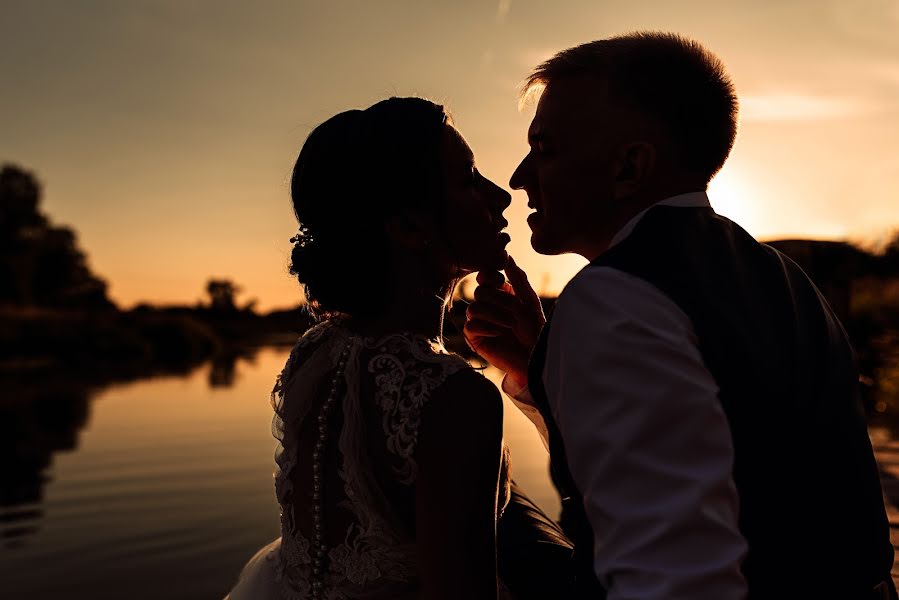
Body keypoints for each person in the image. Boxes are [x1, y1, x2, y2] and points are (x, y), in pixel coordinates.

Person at [465, 32, 897, 599]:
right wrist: (536, 367)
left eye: (545, 148)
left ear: (629, 167)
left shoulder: (611, 299)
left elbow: (670, 572)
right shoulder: (784, 278)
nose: (520, 178)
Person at [224, 97, 570, 600]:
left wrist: (531, 367)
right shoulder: (455, 396)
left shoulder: (315, 353)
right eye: (470, 179)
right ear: (409, 228)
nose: (501, 197)